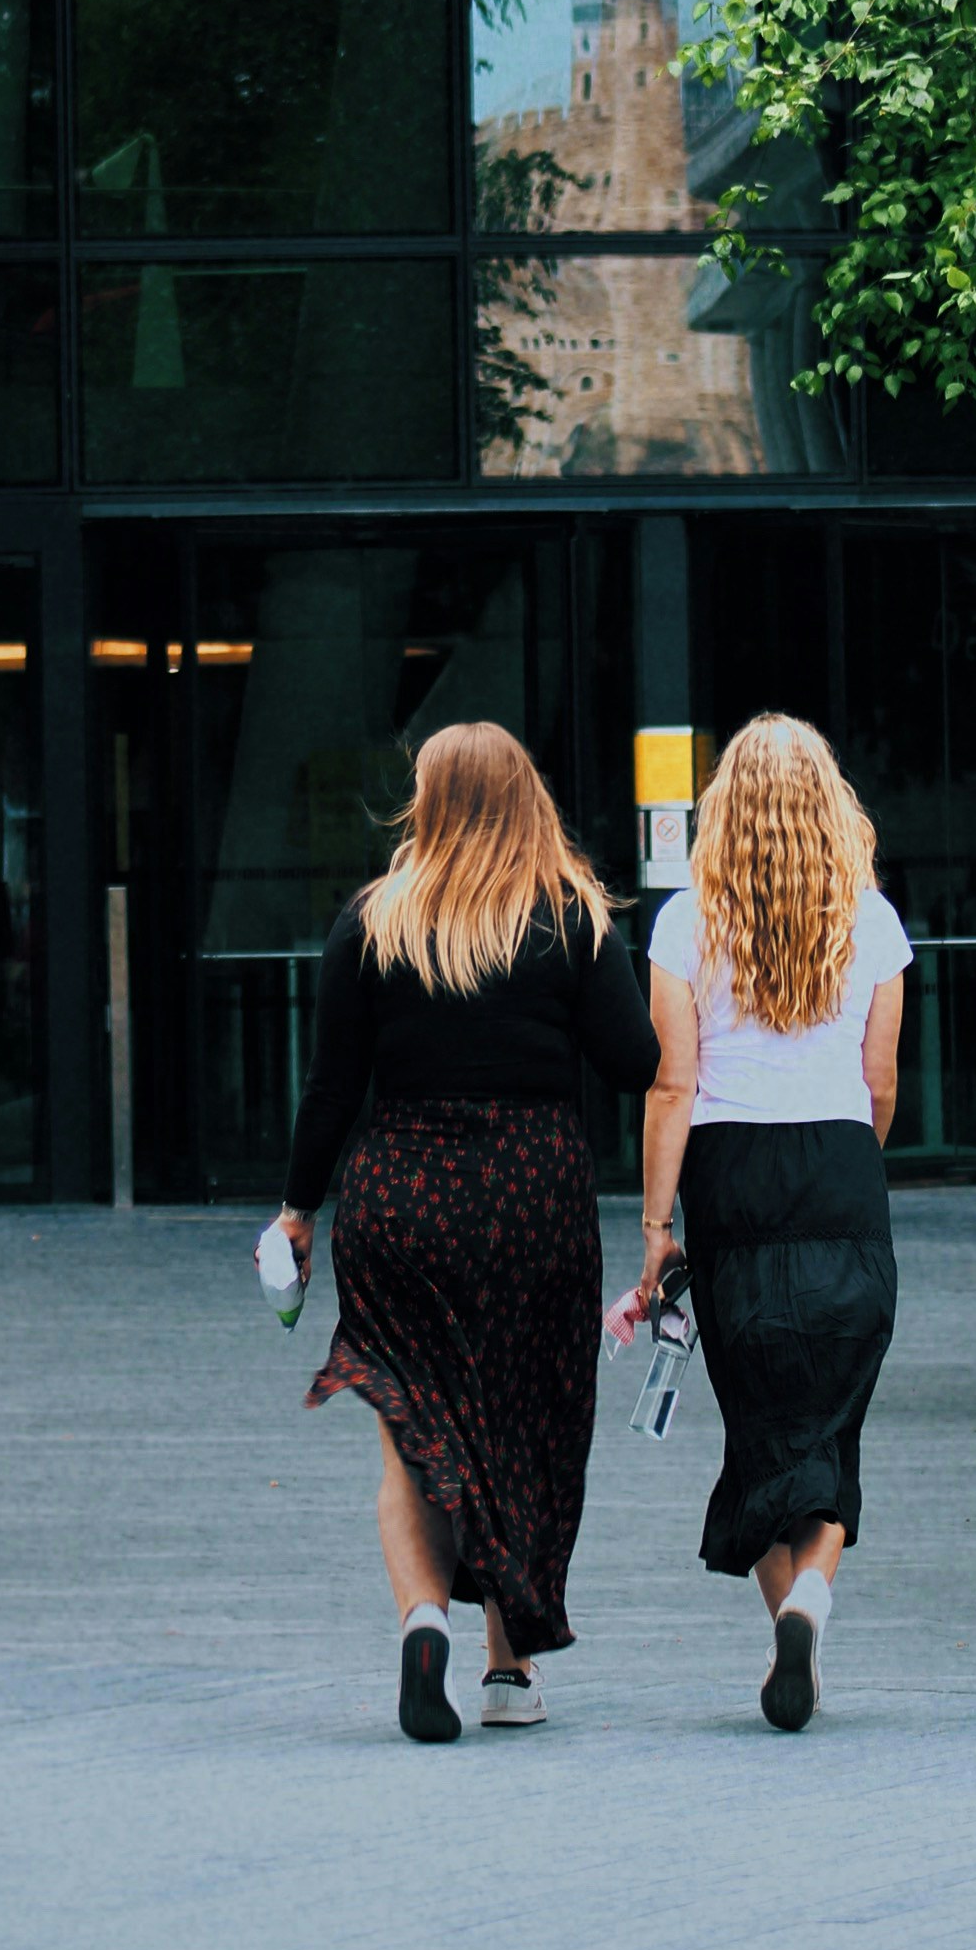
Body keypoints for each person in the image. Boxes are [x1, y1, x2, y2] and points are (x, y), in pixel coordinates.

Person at [273, 721, 659, 1744]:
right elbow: (633, 1059)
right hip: (534, 1192)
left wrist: (299, 1209)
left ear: (428, 800)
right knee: (520, 1421)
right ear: (529, 797)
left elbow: (330, 1090)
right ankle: (507, 1668)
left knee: (413, 1425)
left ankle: (420, 1624)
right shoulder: (569, 915)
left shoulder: (374, 918)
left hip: (404, 1190)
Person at [638, 711, 910, 1732]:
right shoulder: (872, 921)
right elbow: (881, 1079)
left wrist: (658, 1223)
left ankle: (788, 1616)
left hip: (730, 1170)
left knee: (759, 1422)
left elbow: (673, 1082)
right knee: (832, 1417)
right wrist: (855, 1161)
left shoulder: (682, 921)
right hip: (841, 1161)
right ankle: (812, 1602)